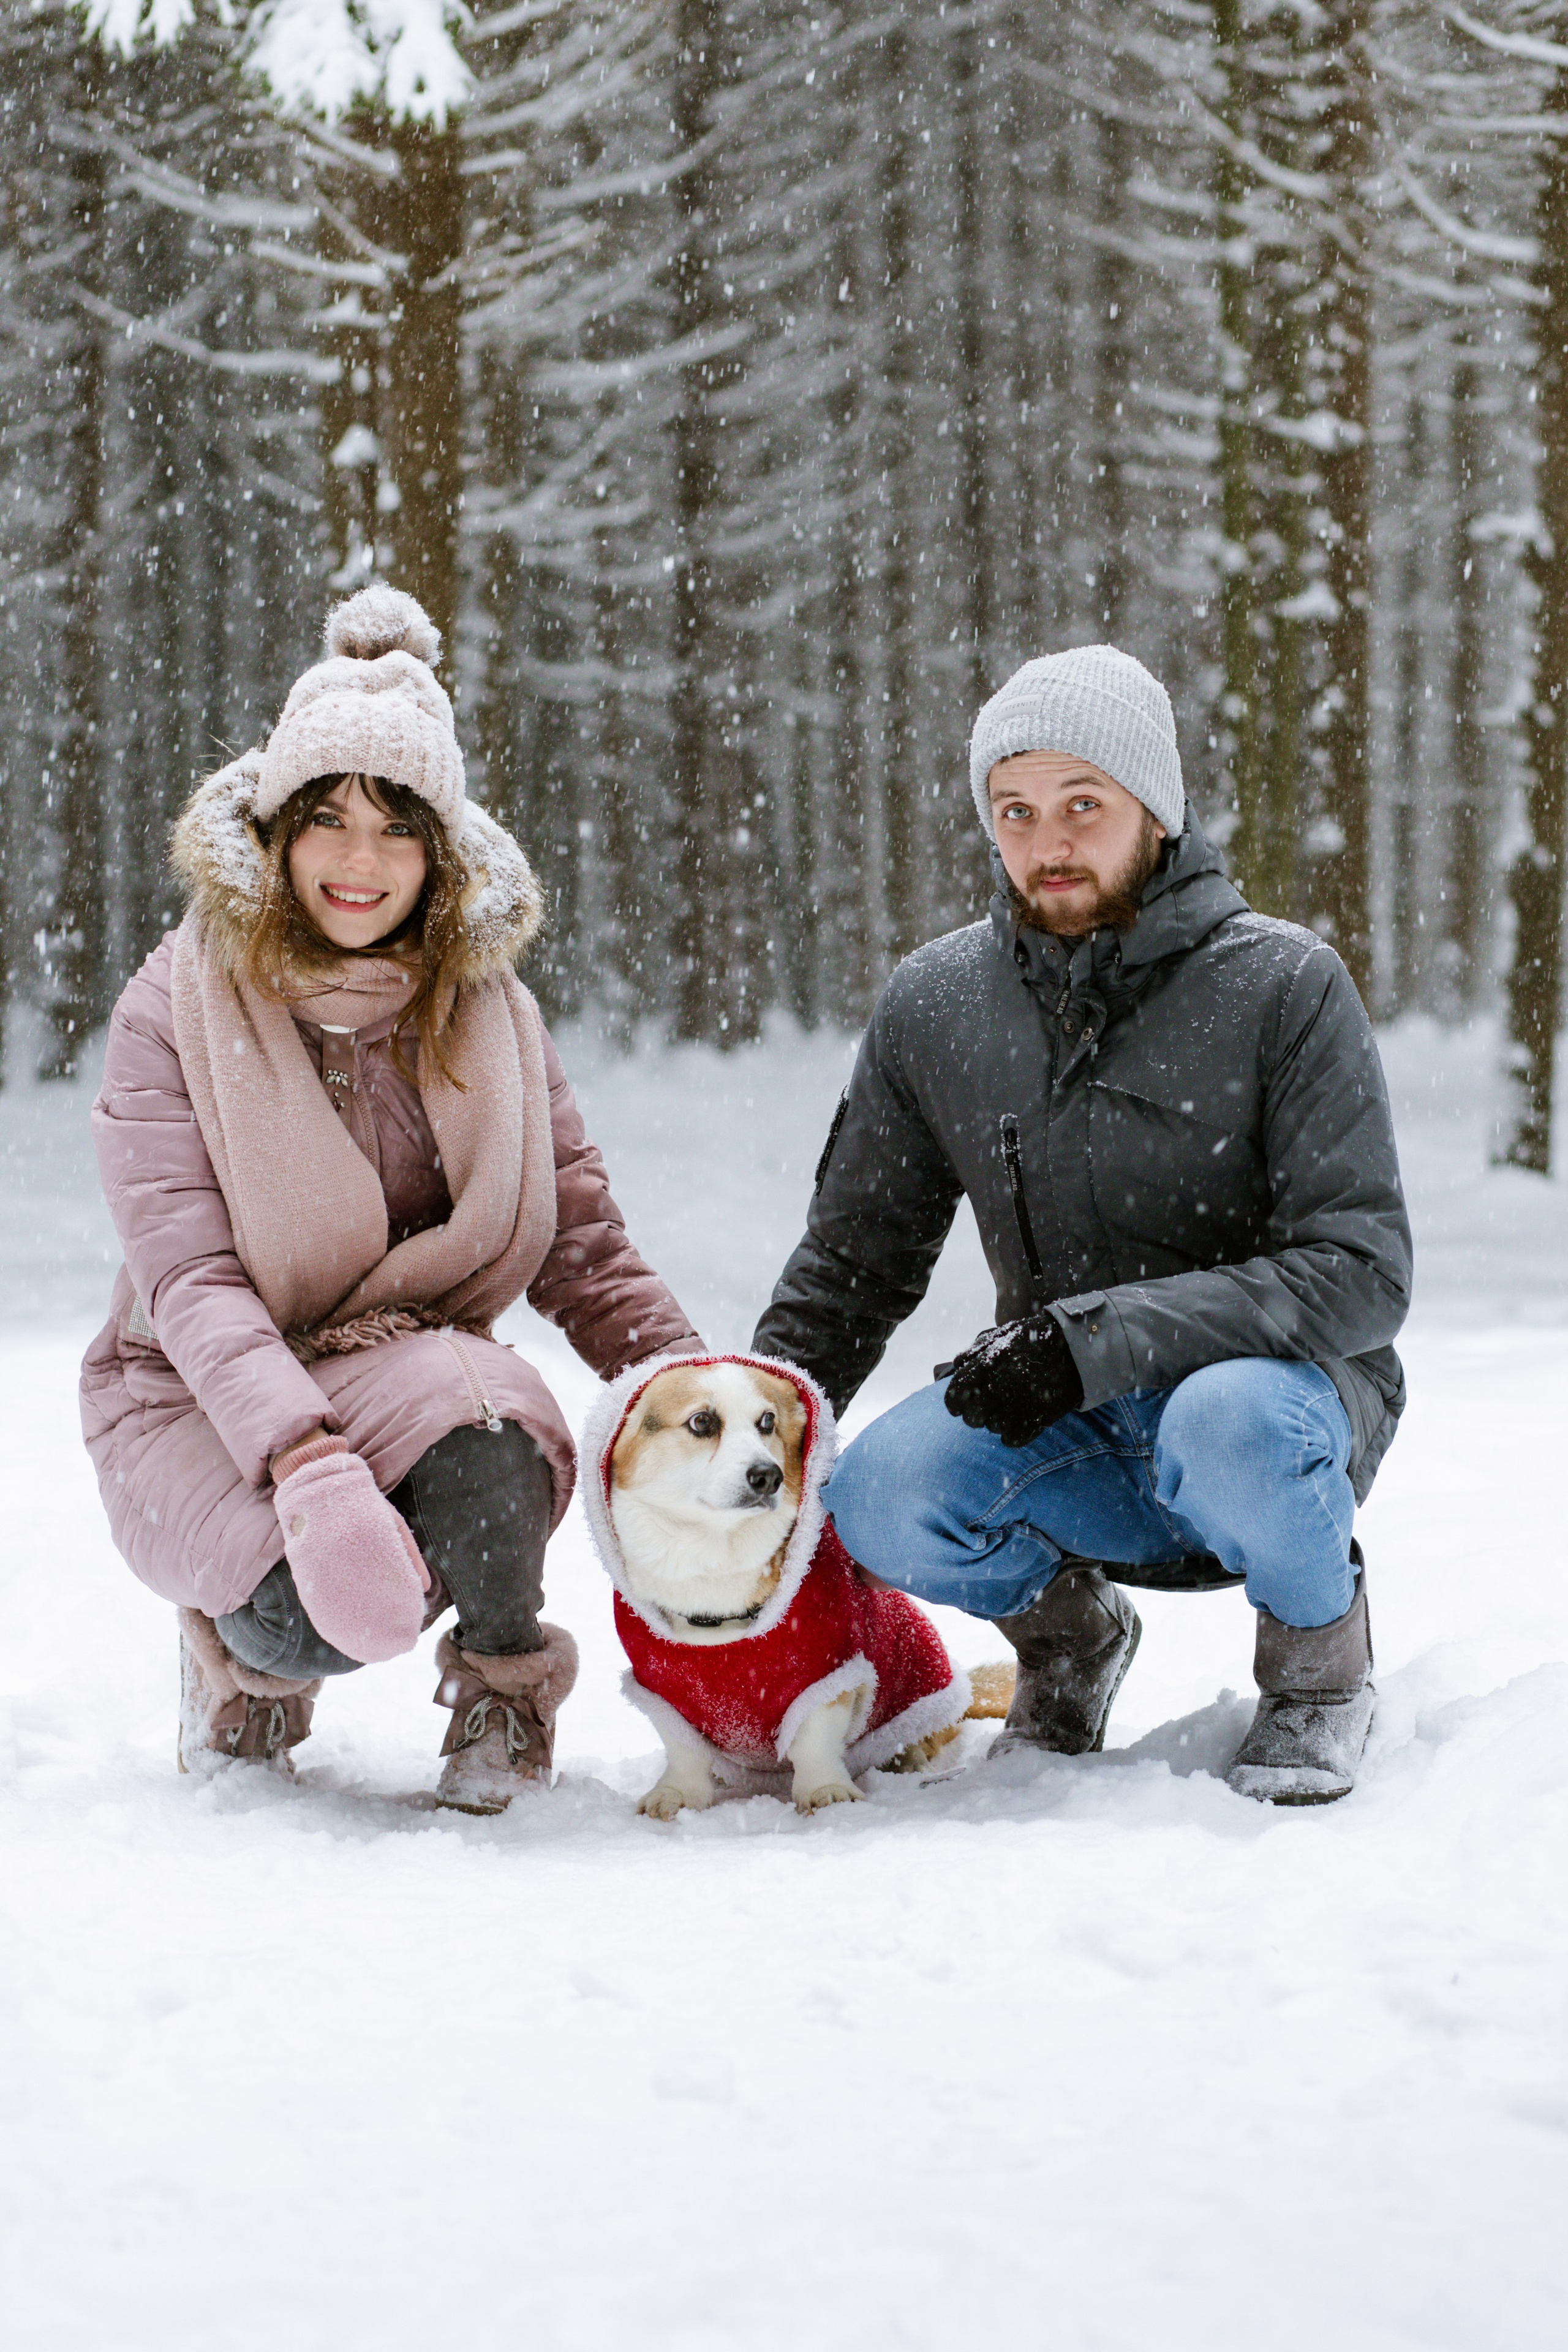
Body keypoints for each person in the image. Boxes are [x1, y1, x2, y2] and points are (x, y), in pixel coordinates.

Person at [753, 645, 1412, 1804]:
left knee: (1229, 1418)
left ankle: (1319, 1676)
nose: (1048, 843)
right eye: (1015, 811)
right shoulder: (940, 1003)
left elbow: (1359, 1272)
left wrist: (1092, 1338)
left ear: (1154, 807)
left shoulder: (1284, 984)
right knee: (881, 1494)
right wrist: (756, 1423)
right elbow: (856, 1261)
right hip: (1073, 1417)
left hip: (1281, 1412)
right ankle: (1072, 1642)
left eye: (1083, 805)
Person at [81, 586, 701, 1811]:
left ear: (441, 851)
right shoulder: (176, 1006)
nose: (359, 863)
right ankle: (243, 1665)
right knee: (302, 1613)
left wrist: (697, 1390)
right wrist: (305, 1460)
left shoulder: (491, 1013)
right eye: (327, 821)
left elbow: (578, 1237)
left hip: (400, 1371)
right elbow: (193, 1278)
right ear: (274, 832)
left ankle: (501, 1691)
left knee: (491, 1420)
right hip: (194, 1390)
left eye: (396, 828)